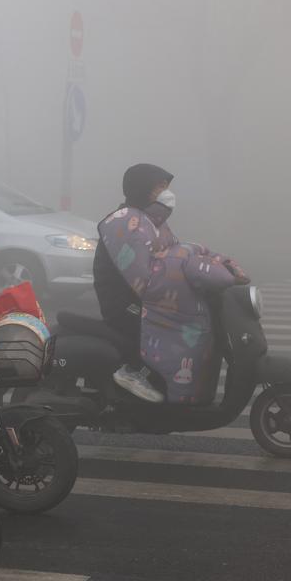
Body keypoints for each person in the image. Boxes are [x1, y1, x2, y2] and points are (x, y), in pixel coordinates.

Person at [94, 164, 248, 403]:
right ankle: (133, 370)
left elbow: (174, 253)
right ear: (142, 188)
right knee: (164, 323)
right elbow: (147, 280)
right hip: (123, 300)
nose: (166, 192)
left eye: (167, 186)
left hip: (140, 297)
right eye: (160, 186)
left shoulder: (151, 221)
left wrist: (211, 267)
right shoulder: (124, 221)